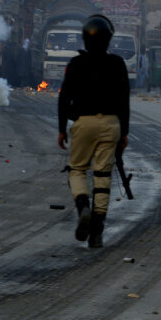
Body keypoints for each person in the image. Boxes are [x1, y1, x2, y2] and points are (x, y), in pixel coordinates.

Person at [58, 14, 129, 248]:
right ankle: (97, 229)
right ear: (109, 39)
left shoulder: (76, 64)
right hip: (111, 125)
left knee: (77, 169)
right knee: (102, 177)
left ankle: (83, 207)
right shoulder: (118, 64)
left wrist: (61, 129)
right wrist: (124, 133)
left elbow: (64, 98)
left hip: (83, 123)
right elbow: (124, 102)